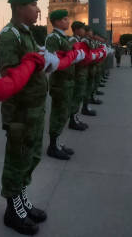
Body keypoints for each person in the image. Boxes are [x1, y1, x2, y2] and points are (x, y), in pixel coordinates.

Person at [0, 0, 52, 235]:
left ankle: (22, 200)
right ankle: (12, 210)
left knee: (31, 158)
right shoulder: (10, 36)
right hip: (20, 112)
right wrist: (33, 65)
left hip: (34, 110)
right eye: (33, 4)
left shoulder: (26, 33)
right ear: (19, 8)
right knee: (17, 161)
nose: (38, 9)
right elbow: (10, 75)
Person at [44, 9, 78, 160]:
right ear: (56, 22)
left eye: (67, 19)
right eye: (64, 19)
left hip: (67, 80)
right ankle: (53, 146)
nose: (68, 21)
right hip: (60, 82)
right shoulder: (53, 38)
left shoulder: (62, 37)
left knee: (63, 113)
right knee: (59, 114)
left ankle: (57, 142)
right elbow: (51, 59)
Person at [68, 21, 90, 130]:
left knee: (78, 97)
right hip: (75, 74)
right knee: (76, 97)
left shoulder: (78, 40)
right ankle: (73, 120)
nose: (84, 31)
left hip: (79, 73)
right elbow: (72, 58)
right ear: (76, 30)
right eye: (82, 29)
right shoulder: (73, 41)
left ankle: (75, 118)